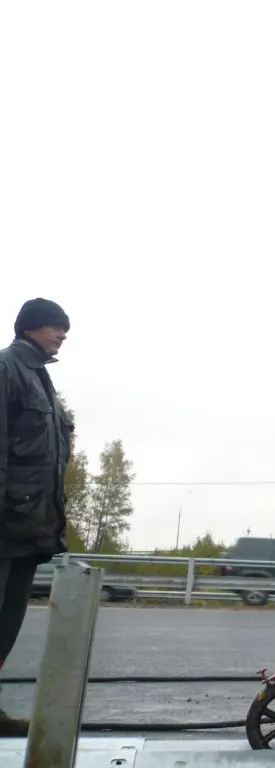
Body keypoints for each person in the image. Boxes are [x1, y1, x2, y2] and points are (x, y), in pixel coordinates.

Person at [0, 299, 72, 736]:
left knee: (8, 622)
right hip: (5, 523)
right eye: (55, 328)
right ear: (30, 329)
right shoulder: (7, 369)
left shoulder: (39, 378)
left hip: (29, 526)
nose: (62, 335)